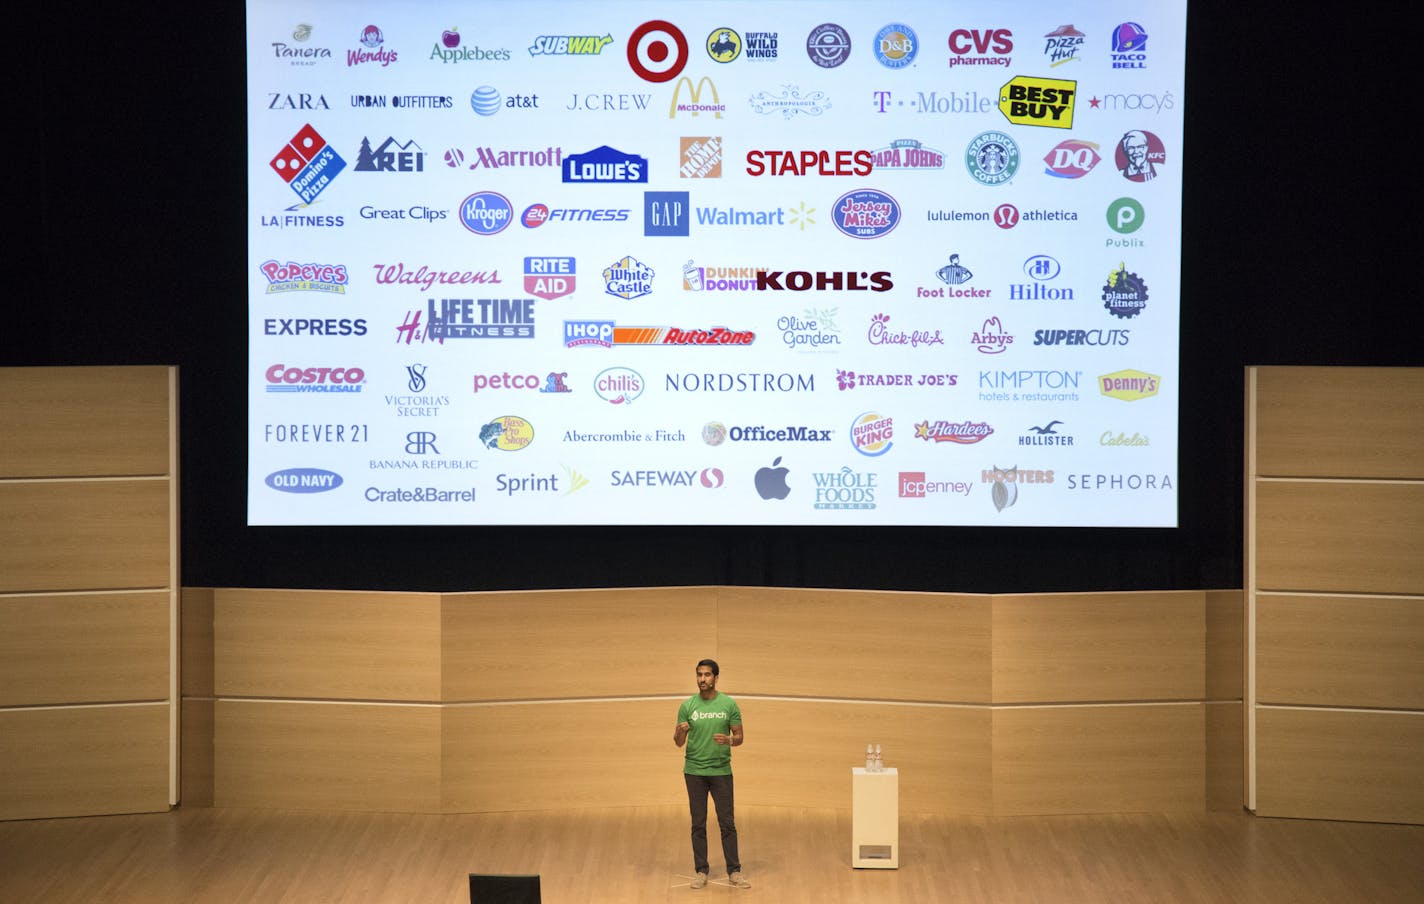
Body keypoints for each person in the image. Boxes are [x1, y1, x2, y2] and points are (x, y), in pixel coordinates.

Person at [674, 659, 750, 889]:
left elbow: (739, 738)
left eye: (707, 675)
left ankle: (734, 871)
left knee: (727, 823)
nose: (702, 679)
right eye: (699, 675)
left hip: (721, 772)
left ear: (716, 678)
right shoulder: (687, 706)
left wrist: (729, 740)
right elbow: (678, 743)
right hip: (694, 772)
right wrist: (679, 731)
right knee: (698, 823)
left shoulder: (728, 705)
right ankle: (701, 871)